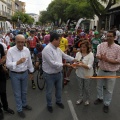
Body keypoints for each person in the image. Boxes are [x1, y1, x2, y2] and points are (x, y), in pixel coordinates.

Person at [42, 32, 77, 113]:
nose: (60, 42)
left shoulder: (57, 49)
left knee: (59, 89)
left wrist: (74, 59)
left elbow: (65, 56)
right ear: (54, 40)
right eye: (59, 41)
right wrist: (65, 64)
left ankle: (58, 101)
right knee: (49, 91)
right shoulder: (47, 49)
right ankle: (49, 105)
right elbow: (52, 63)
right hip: (49, 75)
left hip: (58, 73)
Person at [6, 34, 34, 118]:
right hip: (15, 74)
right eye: (19, 42)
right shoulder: (11, 50)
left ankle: (24, 104)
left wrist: (31, 72)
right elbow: (8, 65)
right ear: (15, 41)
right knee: (17, 93)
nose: (21, 44)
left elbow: (29, 62)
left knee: (24, 91)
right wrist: (17, 62)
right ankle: (19, 109)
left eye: (22, 42)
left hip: (25, 73)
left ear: (25, 42)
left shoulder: (26, 50)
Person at [94, 30, 120, 113]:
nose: (108, 38)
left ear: (115, 37)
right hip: (101, 70)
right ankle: (100, 98)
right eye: (107, 36)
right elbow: (97, 55)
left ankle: (106, 104)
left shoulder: (118, 48)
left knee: (109, 90)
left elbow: (119, 61)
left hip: (111, 72)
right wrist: (101, 57)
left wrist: (108, 60)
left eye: (110, 36)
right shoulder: (101, 45)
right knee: (99, 86)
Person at [74, 40, 94, 105]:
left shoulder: (91, 55)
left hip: (87, 75)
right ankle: (80, 98)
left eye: (84, 47)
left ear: (87, 48)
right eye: (81, 47)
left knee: (86, 88)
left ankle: (88, 99)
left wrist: (82, 64)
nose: (82, 48)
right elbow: (75, 62)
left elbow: (89, 66)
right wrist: (75, 65)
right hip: (79, 74)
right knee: (80, 87)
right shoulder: (78, 54)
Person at [0, 44, 14, 120]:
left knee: (3, 91)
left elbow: (3, 56)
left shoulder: (0, 46)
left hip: (1, 72)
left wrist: (2, 62)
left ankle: (5, 107)